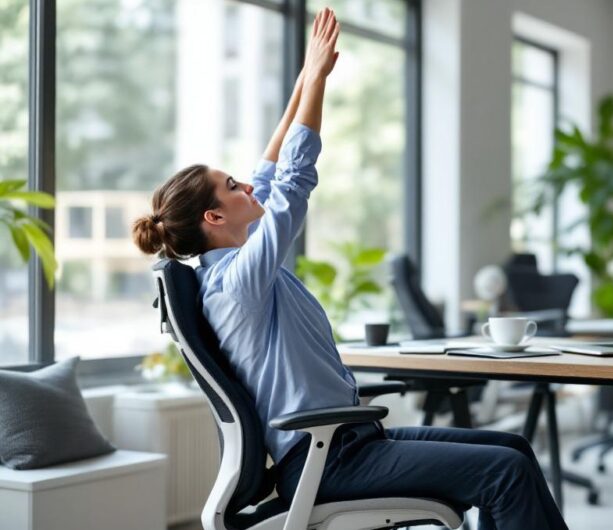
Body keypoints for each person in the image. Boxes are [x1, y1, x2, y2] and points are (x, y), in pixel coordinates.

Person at [132, 8, 566, 530]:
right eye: (232, 185)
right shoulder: (235, 283)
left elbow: (268, 176)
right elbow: (291, 183)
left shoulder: (237, 266)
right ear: (214, 217)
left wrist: (300, 87)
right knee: (505, 474)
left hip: (353, 442)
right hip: (328, 462)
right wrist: (316, 80)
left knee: (513, 448)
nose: (247, 185)